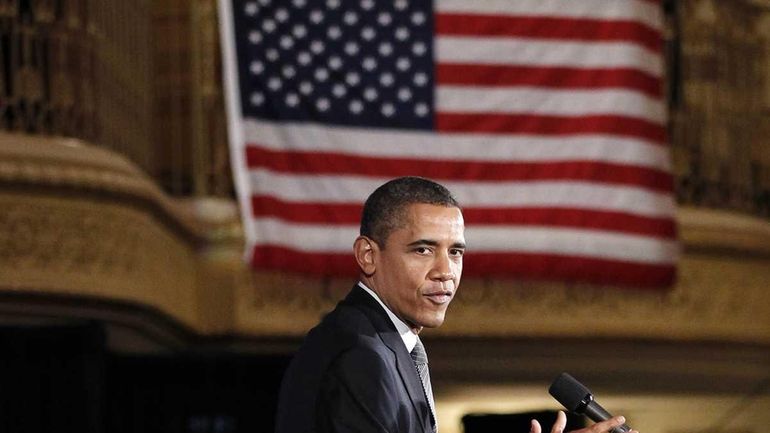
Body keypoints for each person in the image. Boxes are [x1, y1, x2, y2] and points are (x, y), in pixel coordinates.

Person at [275, 176, 636, 433]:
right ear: (368, 255)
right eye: (423, 249)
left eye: (456, 252)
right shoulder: (360, 355)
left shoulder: (383, 343)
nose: (446, 272)